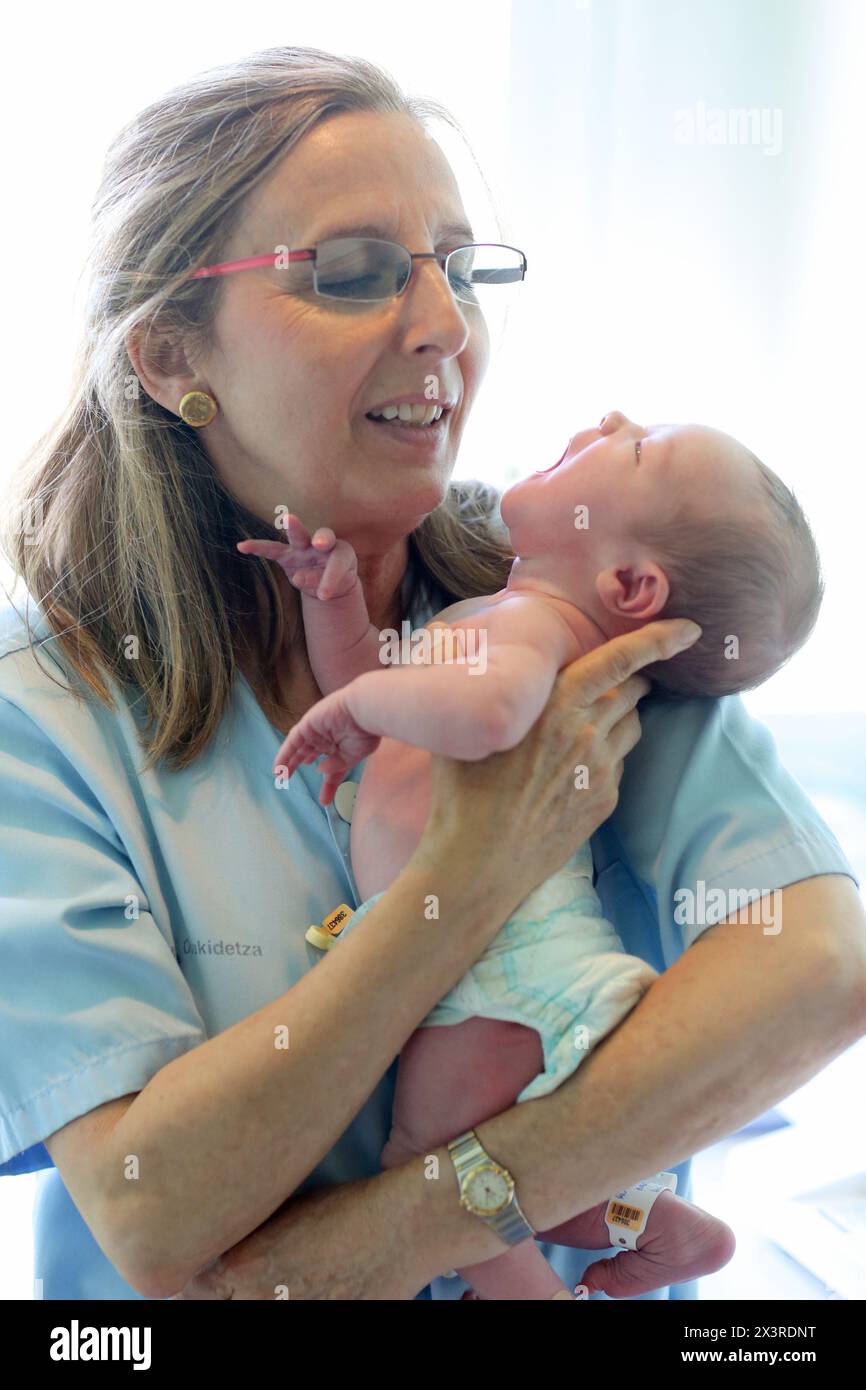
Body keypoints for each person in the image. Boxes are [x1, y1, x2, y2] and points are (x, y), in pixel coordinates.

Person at [0, 46, 863, 1304]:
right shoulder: (44, 714)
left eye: (459, 271)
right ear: (177, 358)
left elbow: (817, 970)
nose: (446, 324)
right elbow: (150, 1208)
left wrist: (392, 1235)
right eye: (352, 275)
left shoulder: (587, 607)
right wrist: (464, 878)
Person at [233, 413, 821, 1300]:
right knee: (502, 1179)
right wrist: (336, 605)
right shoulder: (504, 618)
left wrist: (363, 713)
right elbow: (389, 686)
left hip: (499, 976)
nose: (610, 420)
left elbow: (487, 717)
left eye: (634, 447)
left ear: (628, 582)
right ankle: (652, 1223)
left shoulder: (533, 631)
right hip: (521, 975)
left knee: (429, 1170)